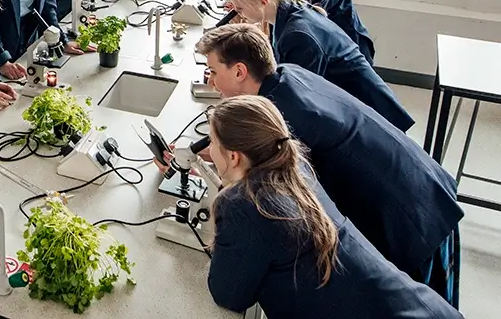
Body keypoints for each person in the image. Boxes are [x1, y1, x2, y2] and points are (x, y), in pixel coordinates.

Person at [191, 23, 463, 308]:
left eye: (213, 71)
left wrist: (226, 175)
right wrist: (226, 151)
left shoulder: (290, 118)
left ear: (239, 72)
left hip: (411, 217)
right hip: (422, 183)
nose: (211, 80)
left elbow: (262, 195)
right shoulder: (286, 77)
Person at [200, 95, 463, 319]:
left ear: (234, 156)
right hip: (416, 305)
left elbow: (228, 294)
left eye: (212, 142)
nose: (208, 149)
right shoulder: (295, 167)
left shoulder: (243, 208)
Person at [225, 0, 414, 132]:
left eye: (240, 8)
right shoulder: (291, 12)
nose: (238, 13)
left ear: (263, 2)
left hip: (373, 119)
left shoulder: (298, 36)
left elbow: (295, 98)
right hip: (359, 108)